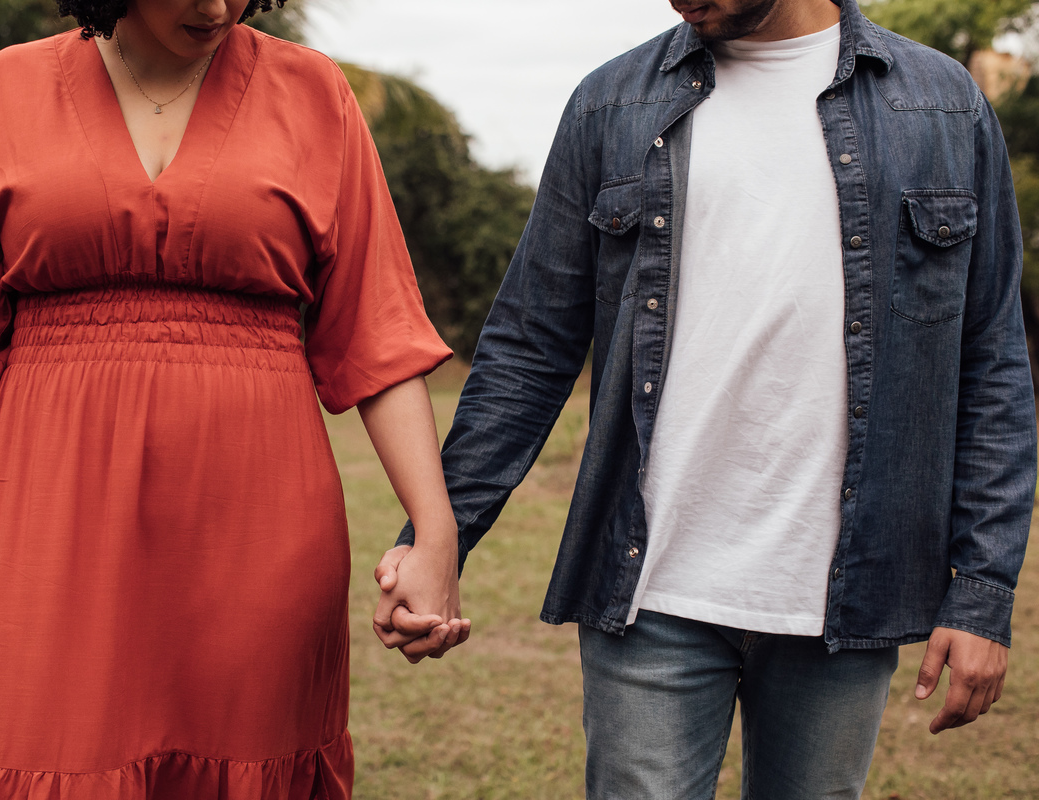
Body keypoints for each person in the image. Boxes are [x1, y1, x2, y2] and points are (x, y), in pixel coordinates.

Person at [373, 0, 1036, 796]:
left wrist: (981, 593)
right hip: (649, 589)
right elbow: (528, 348)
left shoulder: (942, 106)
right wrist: (437, 538)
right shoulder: (609, 105)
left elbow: (992, 364)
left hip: (843, 597)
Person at [0, 1, 470, 797]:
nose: (214, 6)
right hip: (48, 519)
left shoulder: (314, 94)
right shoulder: (6, 89)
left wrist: (435, 532)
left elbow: (380, 336)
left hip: (260, 522)